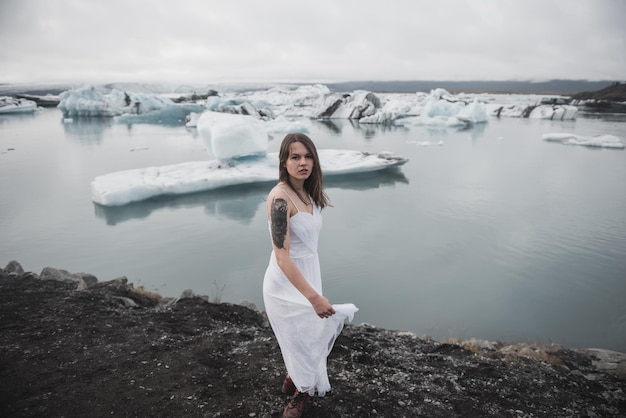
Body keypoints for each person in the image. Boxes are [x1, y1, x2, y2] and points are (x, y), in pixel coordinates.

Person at [263, 133, 358, 418]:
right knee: (301, 336)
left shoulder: (308, 192)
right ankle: (301, 392)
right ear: (284, 161)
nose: (303, 163)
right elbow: (282, 256)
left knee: (309, 334)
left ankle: (295, 377)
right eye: (295, 157)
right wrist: (314, 297)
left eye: (308, 156)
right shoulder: (280, 198)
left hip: (308, 271)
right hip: (285, 280)